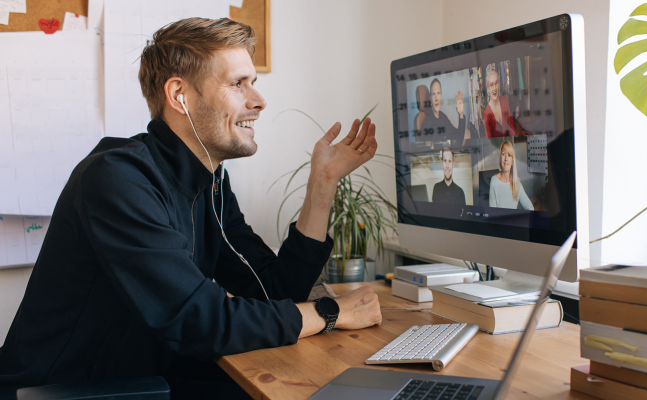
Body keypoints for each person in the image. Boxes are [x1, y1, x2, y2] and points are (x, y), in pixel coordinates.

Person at [0, 18, 382, 400]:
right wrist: (332, 312)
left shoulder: (211, 182)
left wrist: (324, 182)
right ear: (179, 95)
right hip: (72, 391)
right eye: (238, 83)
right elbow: (200, 320)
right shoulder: (116, 178)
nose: (259, 101)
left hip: (149, 376)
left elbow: (274, 290)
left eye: (254, 82)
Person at [489, 140, 533, 210]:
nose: (506, 159)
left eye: (509, 155)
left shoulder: (517, 182)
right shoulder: (494, 180)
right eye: (503, 154)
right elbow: (492, 211)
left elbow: (529, 206)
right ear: (500, 158)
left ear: (512, 161)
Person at [419, 78, 466, 143]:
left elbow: (459, 137)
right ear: (430, 98)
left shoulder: (443, 116)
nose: (436, 98)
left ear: (441, 96)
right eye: (433, 94)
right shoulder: (427, 124)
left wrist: (461, 114)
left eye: (438, 93)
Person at [483, 68, 526, 138]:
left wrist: (513, 143)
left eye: (496, 83)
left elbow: (511, 125)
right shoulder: (486, 113)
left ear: (499, 84)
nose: (494, 88)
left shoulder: (504, 100)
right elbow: (490, 140)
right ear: (488, 88)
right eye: (491, 85)